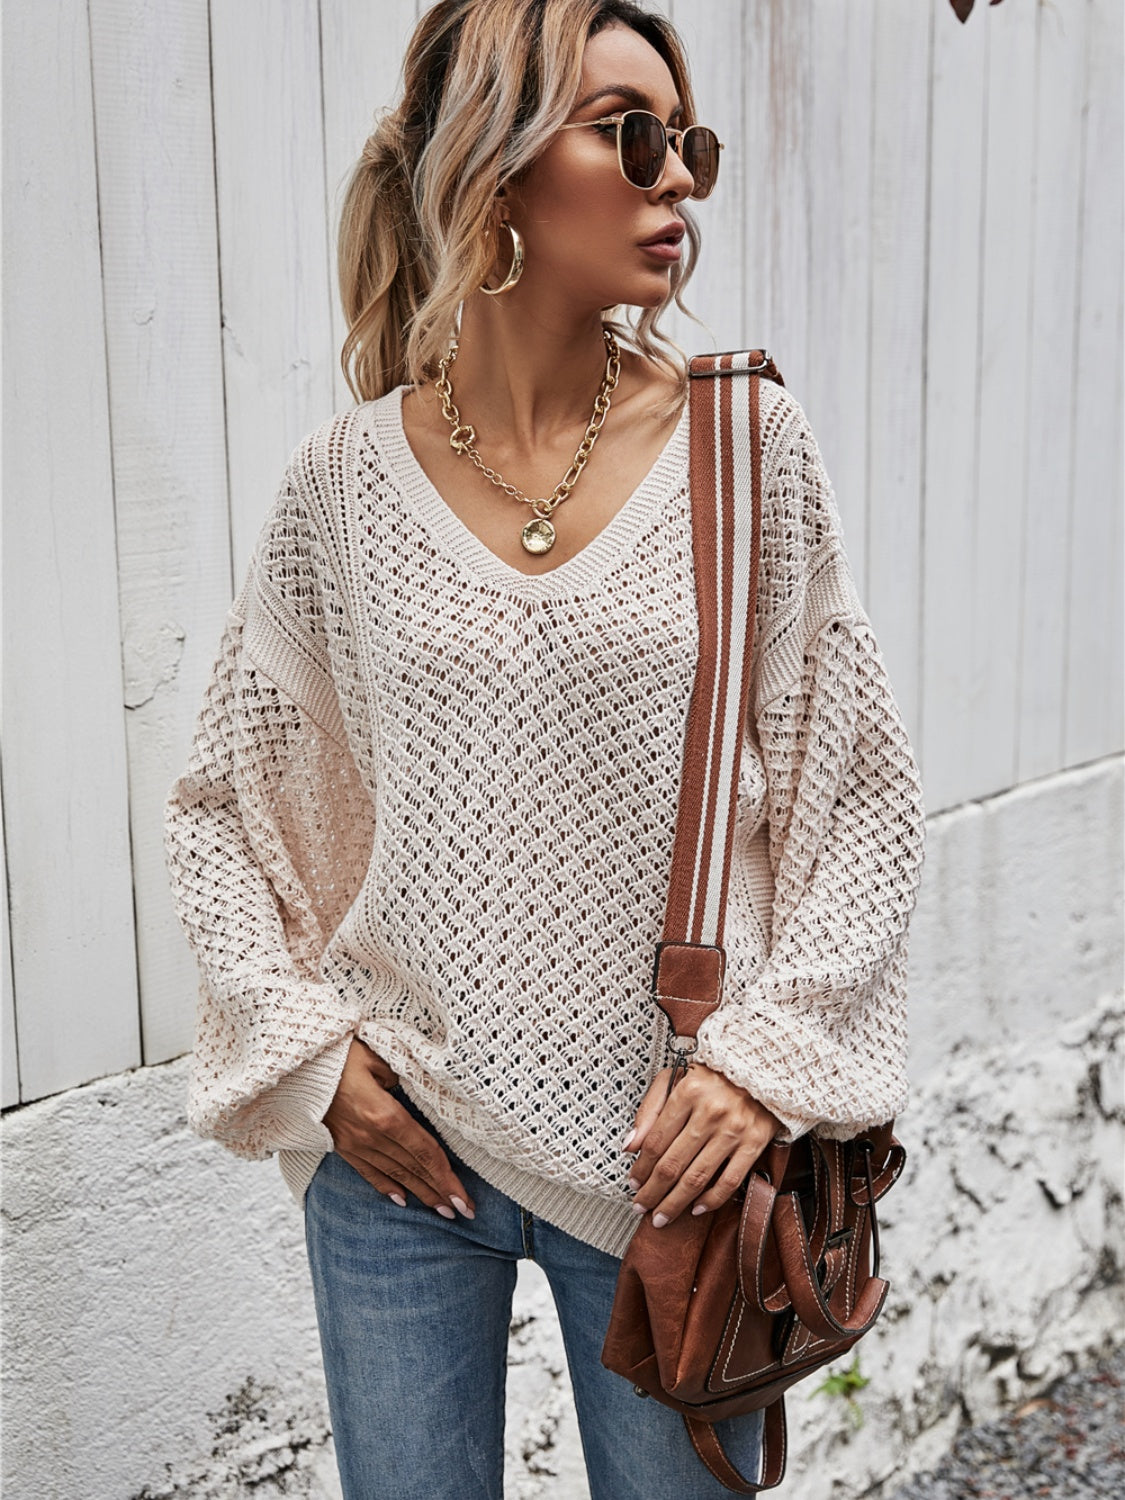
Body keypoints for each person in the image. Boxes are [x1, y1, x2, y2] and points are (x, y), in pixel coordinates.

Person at [164, 2, 927, 1496]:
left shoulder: (745, 453)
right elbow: (221, 814)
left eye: (687, 141)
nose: (678, 177)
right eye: (629, 136)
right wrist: (317, 1067)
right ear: (495, 166)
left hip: (672, 1178)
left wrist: (763, 1067)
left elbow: (863, 807)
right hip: (400, 1164)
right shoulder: (340, 487)